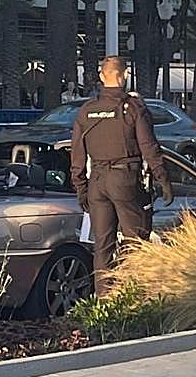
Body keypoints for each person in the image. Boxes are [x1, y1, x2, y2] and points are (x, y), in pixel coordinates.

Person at [71, 56, 173, 294]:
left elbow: (77, 155)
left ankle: (105, 300)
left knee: (102, 248)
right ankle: (130, 297)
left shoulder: (87, 111)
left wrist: (81, 188)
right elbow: (149, 147)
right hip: (125, 178)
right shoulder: (133, 108)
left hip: (97, 181)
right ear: (124, 75)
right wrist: (163, 178)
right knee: (134, 243)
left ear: (101, 76)